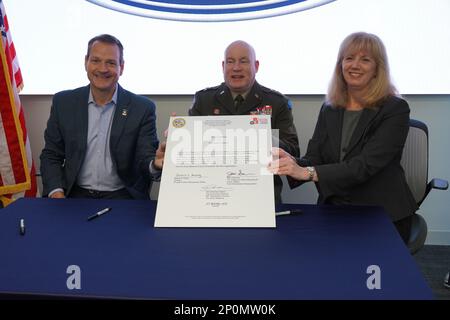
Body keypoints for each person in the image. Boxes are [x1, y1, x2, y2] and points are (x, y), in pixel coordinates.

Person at [268, 32, 417, 243]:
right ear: (340, 65)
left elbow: (365, 166)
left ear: (377, 69)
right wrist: (290, 163)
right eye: (349, 58)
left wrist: (305, 172)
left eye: (365, 59)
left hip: (381, 214)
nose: (355, 65)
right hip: (335, 209)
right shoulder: (330, 108)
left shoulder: (395, 109)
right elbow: (315, 158)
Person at [40, 34, 164, 200]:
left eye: (111, 63)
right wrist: (56, 192)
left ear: (122, 67)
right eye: (96, 60)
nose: (103, 69)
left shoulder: (142, 108)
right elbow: (51, 155)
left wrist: (155, 165)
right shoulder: (64, 102)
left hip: (123, 198)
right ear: (86, 62)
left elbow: (145, 159)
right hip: (73, 195)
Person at [189, 40, 300, 203]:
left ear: (256, 66)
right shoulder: (204, 100)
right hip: (212, 193)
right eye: (230, 61)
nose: (236, 68)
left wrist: (264, 138)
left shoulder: (277, 102)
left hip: (261, 197)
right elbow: (191, 154)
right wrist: (179, 138)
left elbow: (293, 154)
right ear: (223, 66)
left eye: (243, 61)